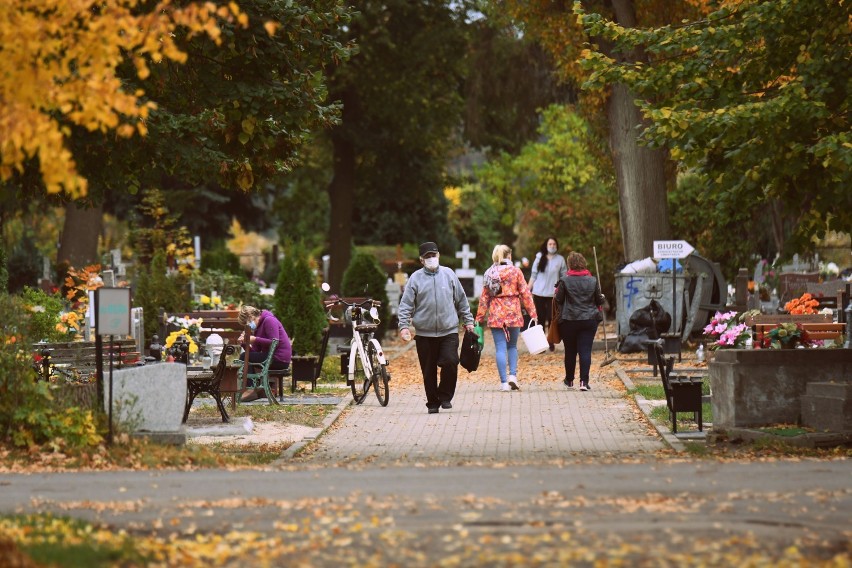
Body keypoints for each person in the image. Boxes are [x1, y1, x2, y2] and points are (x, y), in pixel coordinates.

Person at [398, 242, 476, 414]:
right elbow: (406, 305)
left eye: (433, 255)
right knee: (428, 370)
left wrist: (468, 321)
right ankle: (432, 403)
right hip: (425, 333)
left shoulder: (449, 275)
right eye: (427, 256)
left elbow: (461, 300)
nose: (431, 259)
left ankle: (445, 396)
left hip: (448, 330)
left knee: (450, 361)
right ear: (421, 259)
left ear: (438, 255)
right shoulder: (415, 279)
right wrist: (404, 326)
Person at [475, 244, 538, 392]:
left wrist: (479, 317)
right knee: (512, 346)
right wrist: (533, 313)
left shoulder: (489, 273)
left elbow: (484, 298)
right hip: (513, 313)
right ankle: (513, 376)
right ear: (509, 256)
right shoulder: (516, 271)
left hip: (496, 314)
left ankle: (503, 383)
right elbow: (525, 293)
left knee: (500, 348)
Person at [554, 251, 605, 391]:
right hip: (589, 320)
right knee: (585, 351)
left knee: (570, 351)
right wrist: (603, 297)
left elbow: (558, 299)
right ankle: (584, 382)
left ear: (569, 264)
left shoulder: (565, 280)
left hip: (569, 320)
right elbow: (599, 300)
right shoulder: (592, 280)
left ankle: (569, 381)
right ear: (583, 263)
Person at [237, 305, 292, 402]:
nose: (247, 326)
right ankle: (252, 388)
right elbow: (255, 353)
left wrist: (255, 339)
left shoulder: (269, 320)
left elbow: (275, 341)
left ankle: (250, 388)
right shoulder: (258, 329)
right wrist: (244, 343)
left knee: (243, 356)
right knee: (244, 356)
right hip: (271, 357)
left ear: (251, 317)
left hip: (279, 358)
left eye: (246, 323)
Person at [528, 237, 568, 352]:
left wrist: (564, 290)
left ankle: (550, 341)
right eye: (550, 244)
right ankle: (540, 345)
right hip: (539, 293)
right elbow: (533, 275)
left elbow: (563, 277)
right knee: (540, 319)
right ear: (546, 245)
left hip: (553, 294)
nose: (552, 246)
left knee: (552, 319)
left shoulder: (560, 259)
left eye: (554, 244)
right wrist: (527, 290)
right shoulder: (539, 257)